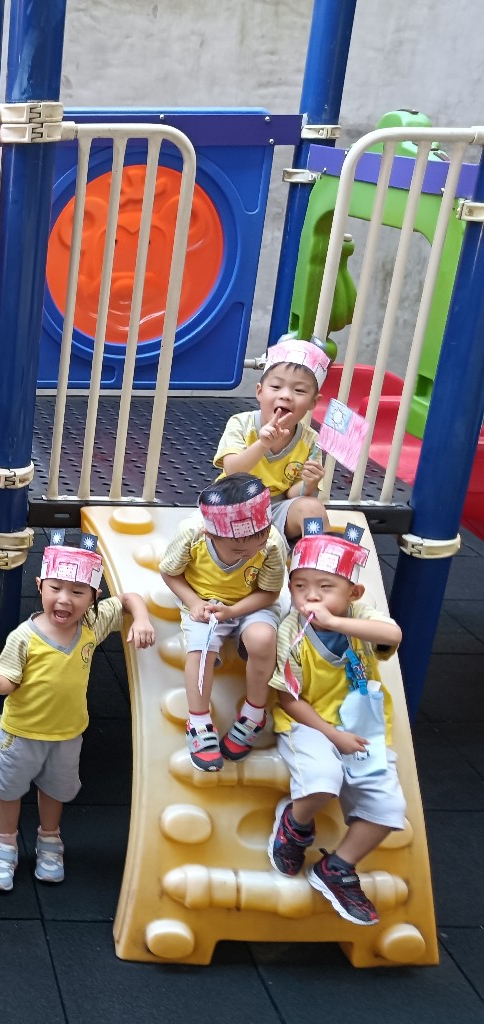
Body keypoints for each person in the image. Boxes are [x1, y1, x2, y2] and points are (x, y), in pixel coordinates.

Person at [0, 533, 154, 889]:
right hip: (21, 733)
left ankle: (49, 839)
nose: (64, 599)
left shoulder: (92, 624)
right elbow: (10, 679)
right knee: (8, 790)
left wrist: (142, 619)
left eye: (77, 592)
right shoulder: (24, 637)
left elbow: (129, 598)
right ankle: (6, 843)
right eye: (55, 588)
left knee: (55, 789)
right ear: (40, 586)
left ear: (94, 597)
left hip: (68, 733)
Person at [267, 520, 405, 926]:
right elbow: (289, 700)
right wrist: (332, 736)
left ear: (353, 593)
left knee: (388, 808)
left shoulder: (360, 616)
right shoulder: (291, 630)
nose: (310, 596)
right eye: (299, 586)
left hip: (364, 728)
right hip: (310, 725)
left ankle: (338, 867)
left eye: (325, 587)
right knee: (323, 780)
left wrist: (336, 623)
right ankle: (295, 824)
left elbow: (393, 634)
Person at [159, 474, 287, 770]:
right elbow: (170, 573)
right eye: (240, 551)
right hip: (204, 603)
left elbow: (269, 593)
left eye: (259, 542)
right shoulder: (192, 534)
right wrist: (194, 603)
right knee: (201, 649)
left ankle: (254, 713)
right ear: (210, 534)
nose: (251, 553)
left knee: (263, 639)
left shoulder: (271, 543)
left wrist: (233, 612)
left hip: (251, 604)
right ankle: (198, 721)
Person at [214, 335, 330, 542]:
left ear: (313, 402)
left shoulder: (311, 440)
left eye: (299, 390)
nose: (286, 395)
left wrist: (309, 484)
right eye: (276, 387)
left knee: (313, 508)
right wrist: (262, 444)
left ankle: (317, 556)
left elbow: (293, 494)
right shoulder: (241, 424)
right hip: (234, 505)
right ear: (259, 392)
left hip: (277, 510)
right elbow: (232, 471)